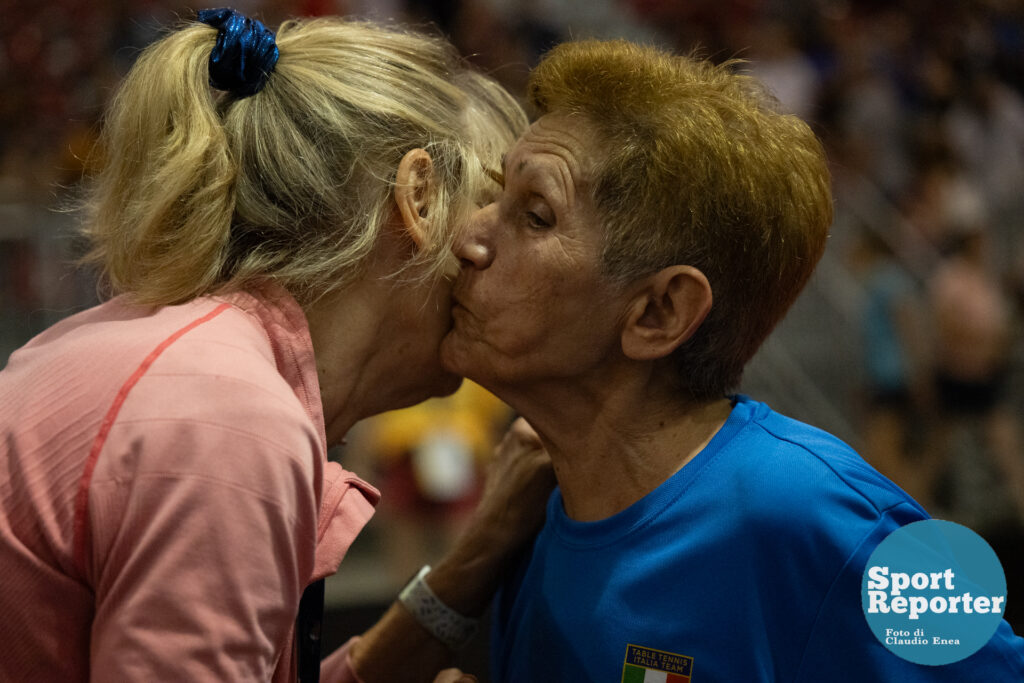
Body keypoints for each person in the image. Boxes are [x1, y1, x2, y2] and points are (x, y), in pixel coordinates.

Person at [438, 40, 1024, 680]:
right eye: (497, 196)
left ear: (660, 312)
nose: (469, 237)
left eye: (536, 214)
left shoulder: (818, 514)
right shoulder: (542, 513)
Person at [0, 9, 547, 682]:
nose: (494, 258)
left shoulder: (201, 362)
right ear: (421, 199)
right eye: (488, 216)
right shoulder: (226, 418)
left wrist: (476, 556)